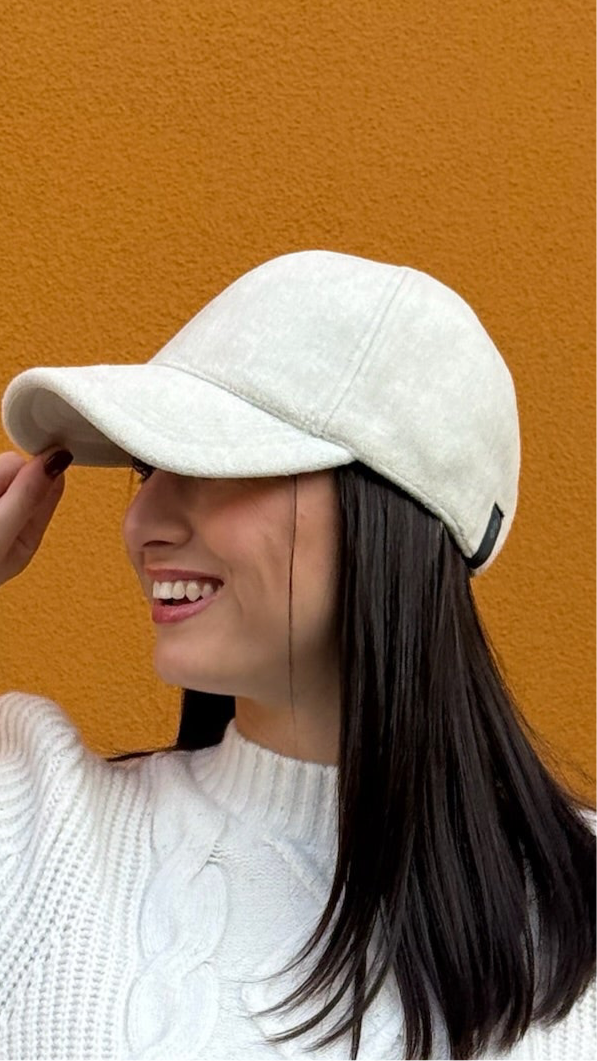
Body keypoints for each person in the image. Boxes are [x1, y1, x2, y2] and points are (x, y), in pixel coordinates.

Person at [0, 249, 596, 1061]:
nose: (142, 523)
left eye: (212, 461)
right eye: (146, 469)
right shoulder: (37, 818)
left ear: (388, 512)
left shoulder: (574, 915)